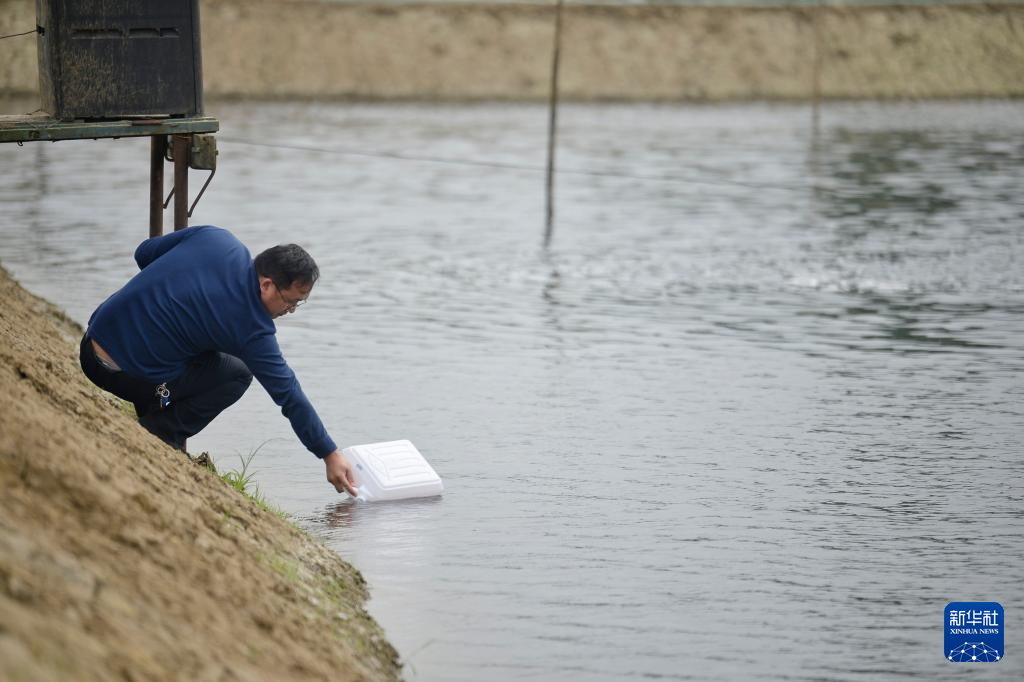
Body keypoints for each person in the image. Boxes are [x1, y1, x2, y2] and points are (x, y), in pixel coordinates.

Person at [78, 225, 357, 496]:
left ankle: (156, 398)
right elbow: (288, 394)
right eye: (290, 301)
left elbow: (143, 253)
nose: (291, 310)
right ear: (267, 285)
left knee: (204, 346)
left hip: (90, 344)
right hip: (119, 376)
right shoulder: (252, 329)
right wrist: (329, 454)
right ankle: (160, 431)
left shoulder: (216, 238)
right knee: (238, 372)